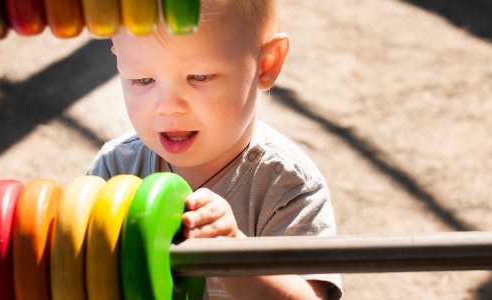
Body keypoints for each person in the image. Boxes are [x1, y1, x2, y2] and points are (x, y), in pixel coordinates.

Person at [87, 0, 342, 299]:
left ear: (266, 64)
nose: (168, 107)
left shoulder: (287, 187)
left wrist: (231, 250)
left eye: (200, 76)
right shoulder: (114, 172)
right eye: (143, 80)